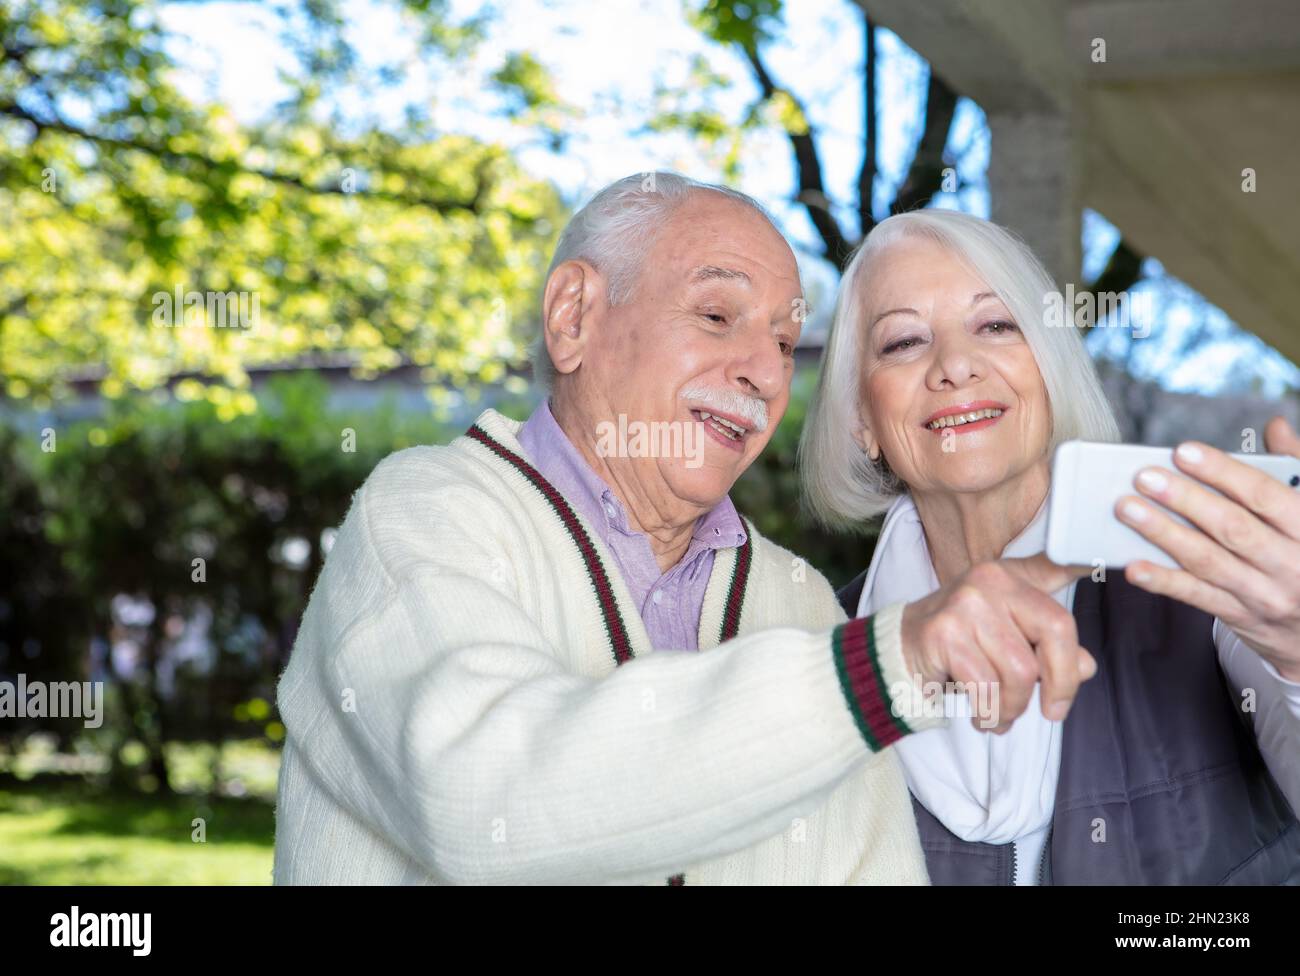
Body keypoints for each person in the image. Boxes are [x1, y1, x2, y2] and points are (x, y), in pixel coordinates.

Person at [272, 173, 1093, 885]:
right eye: (715, 315)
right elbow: (481, 800)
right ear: (573, 317)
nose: (766, 372)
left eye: (781, 338)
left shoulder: (801, 601)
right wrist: (886, 667)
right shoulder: (424, 515)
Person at [801, 208, 1300, 884]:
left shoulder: (1189, 568)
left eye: (995, 325)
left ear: (1049, 367)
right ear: (863, 419)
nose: (955, 365)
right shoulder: (822, 654)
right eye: (904, 342)